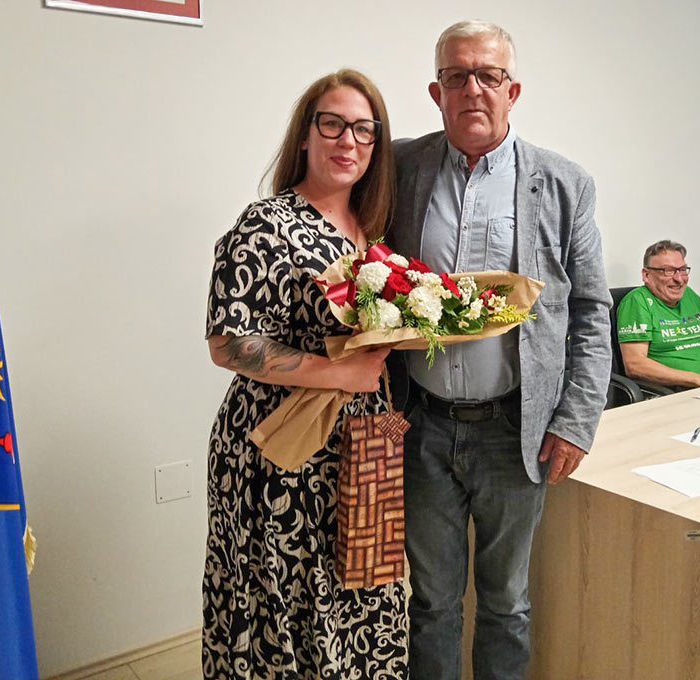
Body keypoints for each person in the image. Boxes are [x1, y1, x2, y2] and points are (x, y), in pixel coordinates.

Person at [386, 20, 612, 680]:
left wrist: (576, 420)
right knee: (430, 603)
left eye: (488, 75)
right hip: (420, 425)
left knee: (506, 604)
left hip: (515, 431)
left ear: (513, 90)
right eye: (456, 76)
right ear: (436, 92)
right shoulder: (401, 168)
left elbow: (590, 311)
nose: (473, 89)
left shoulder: (564, 183)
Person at [203, 70, 408, 679]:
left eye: (364, 131)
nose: (348, 141)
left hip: (364, 442)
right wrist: (339, 374)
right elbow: (228, 343)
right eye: (333, 124)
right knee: (285, 601)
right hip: (281, 455)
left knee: (364, 584)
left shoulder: (373, 231)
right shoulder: (265, 224)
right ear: (305, 135)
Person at [616, 240, 700, 389]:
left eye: (682, 270)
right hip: (678, 390)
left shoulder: (690, 296)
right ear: (646, 274)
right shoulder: (637, 302)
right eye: (668, 271)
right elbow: (635, 365)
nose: (679, 279)